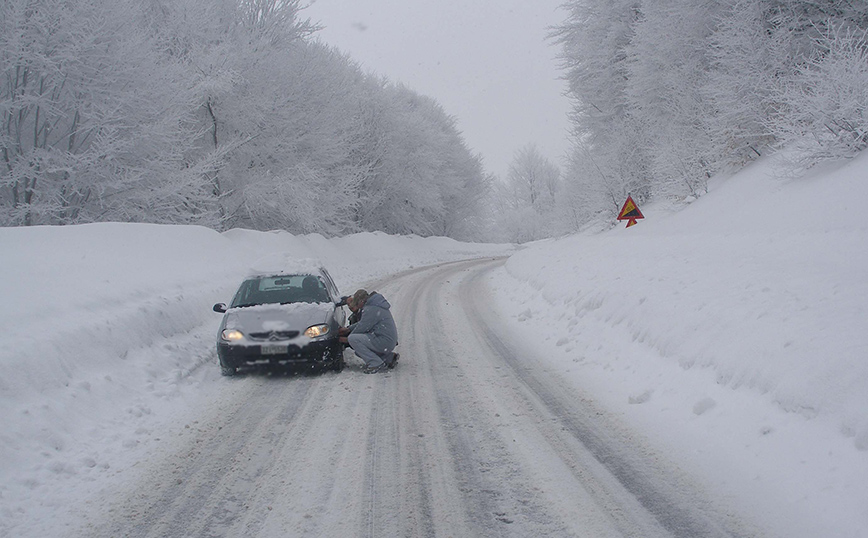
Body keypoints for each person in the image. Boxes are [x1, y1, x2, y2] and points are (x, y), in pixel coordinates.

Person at [338, 289, 399, 374]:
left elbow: (362, 328)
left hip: (384, 341)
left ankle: (376, 364)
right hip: (387, 340)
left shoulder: (370, 309)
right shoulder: (375, 305)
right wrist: (349, 329)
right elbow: (364, 323)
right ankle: (388, 358)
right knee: (360, 350)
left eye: (357, 304)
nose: (358, 307)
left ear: (362, 301)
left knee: (354, 340)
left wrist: (346, 339)